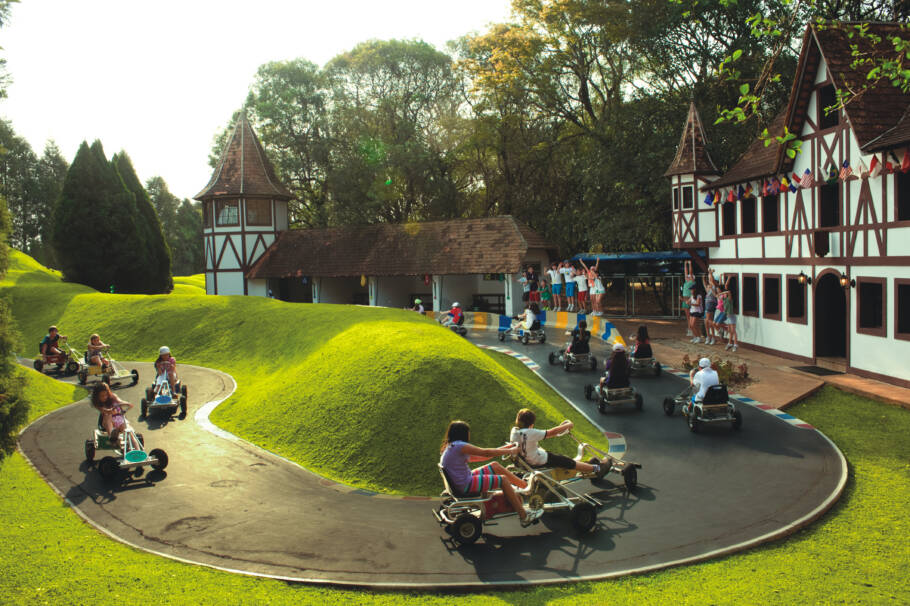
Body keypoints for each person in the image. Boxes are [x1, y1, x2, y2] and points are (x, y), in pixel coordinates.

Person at [439, 420, 542, 527]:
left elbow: (485, 456)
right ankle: (524, 516)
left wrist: (508, 447)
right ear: (463, 433)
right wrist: (511, 451)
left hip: (462, 481)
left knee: (494, 465)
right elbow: (486, 452)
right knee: (503, 480)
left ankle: (525, 487)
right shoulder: (460, 446)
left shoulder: (452, 447)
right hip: (465, 484)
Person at [509, 409, 607, 479]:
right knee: (568, 462)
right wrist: (568, 425)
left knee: (560, 458)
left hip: (530, 459)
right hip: (539, 460)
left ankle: (586, 466)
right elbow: (552, 432)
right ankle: (597, 468)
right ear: (532, 423)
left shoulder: (515, 432)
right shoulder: (530, 432)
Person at [92, 382, 133, 447]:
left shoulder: (112, 396)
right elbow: (103, 410)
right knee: (108, 415)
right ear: (97, 396)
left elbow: (120, 402)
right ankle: (112, 436)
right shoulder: (97, 403)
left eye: (106, 395)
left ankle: (131, 444)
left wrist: (127, 404)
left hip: (119, 422)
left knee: (127, 427)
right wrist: (110, 411)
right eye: (102, 396)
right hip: (106, 423)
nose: (105, 397)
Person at [720, 278, 738, 352]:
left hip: (732, 316)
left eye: (724, 294)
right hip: (728, 316)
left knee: (733, 331)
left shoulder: (729, 299)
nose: (723, 295)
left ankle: (735, 344)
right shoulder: (724, 300)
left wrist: (722, 293)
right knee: (730, 330)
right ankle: (730, 343)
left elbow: (729, 291)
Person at [703, 271, 718, 345]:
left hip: (711, 304)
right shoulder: (709, 286)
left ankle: (713, 337)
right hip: (707, 304)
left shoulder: (714, 286)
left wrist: (710, 273)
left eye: (710, 278)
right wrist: (703, 280)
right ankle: (709, 336)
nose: (709, 279)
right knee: (706, 322)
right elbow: (705, 287)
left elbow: (715, 295)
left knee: (709, 321)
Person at [681, 260, 696, 336]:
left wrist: (690, 264)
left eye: (689, 277)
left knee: (691, 315)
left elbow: (690, 272)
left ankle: (692, 329)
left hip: (689, 299)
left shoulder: (692, 282)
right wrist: (685, 264)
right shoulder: (687, 282)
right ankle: (690, 328)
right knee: (687, 316)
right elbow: (685, 273)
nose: (687, 277)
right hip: (685, 299)